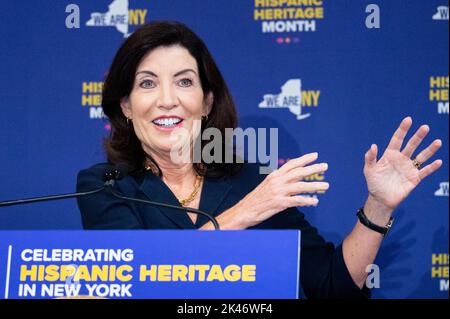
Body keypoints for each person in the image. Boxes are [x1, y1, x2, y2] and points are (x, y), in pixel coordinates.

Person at [76, 21, 443, 299]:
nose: (167, 99)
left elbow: (331, 286)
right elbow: (138, 280)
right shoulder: (106, 185)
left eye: (185, 82)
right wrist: (248, 211)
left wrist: (378, 206)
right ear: (125, 105)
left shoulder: (252, 181)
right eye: (147, 83)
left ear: (206, 103)